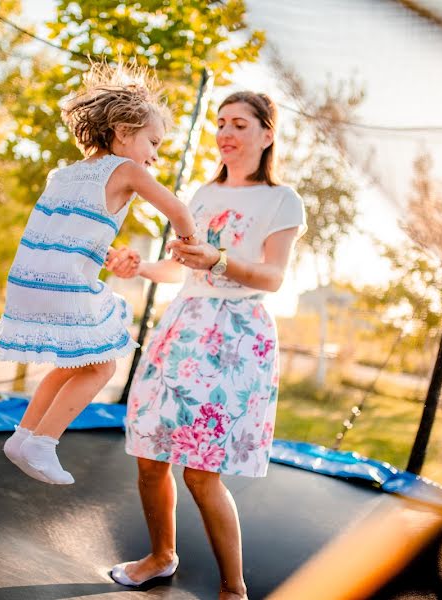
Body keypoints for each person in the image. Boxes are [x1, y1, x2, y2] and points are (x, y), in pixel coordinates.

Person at [106, 91, 306, 600]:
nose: (225, 133)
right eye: (220, 123)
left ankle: (233, 590)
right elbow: (182, 266)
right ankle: (160, 556)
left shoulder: (282, 200)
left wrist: (217, 259)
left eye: (239, 124)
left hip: (236, 338)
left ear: (267, 134)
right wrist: (141, 268)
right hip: (184, 327)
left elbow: (273, 277)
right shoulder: (202, 194)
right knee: (149, 458)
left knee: (201, 473)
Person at [0, 63, 199, 485]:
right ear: (121, 131)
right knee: (102, 367)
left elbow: (65, 231)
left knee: (75, 362)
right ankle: (44, 443)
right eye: (153, 142)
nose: (155, 155)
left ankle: (23, 437)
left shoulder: (63, 173)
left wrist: (103, 252)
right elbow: (179, 210)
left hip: (28, 283)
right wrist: (190, 242)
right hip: (65, 287)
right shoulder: (129, 171)